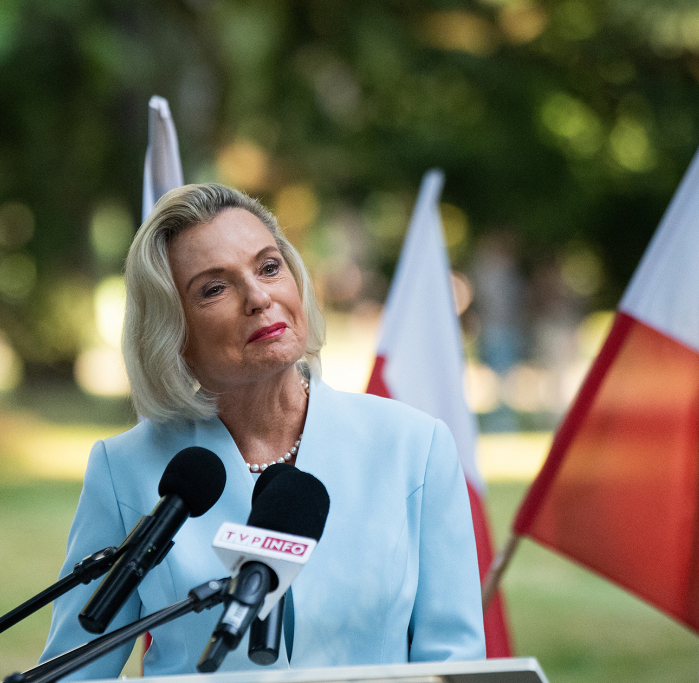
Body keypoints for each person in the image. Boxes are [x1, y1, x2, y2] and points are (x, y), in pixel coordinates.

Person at [40, 183, 486, 679]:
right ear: (174, 331)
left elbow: (455, 665)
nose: (258, 297)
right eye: (214, 288)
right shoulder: (125, 470)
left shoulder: (415, 447)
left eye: (269, 267)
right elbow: (70, 673)